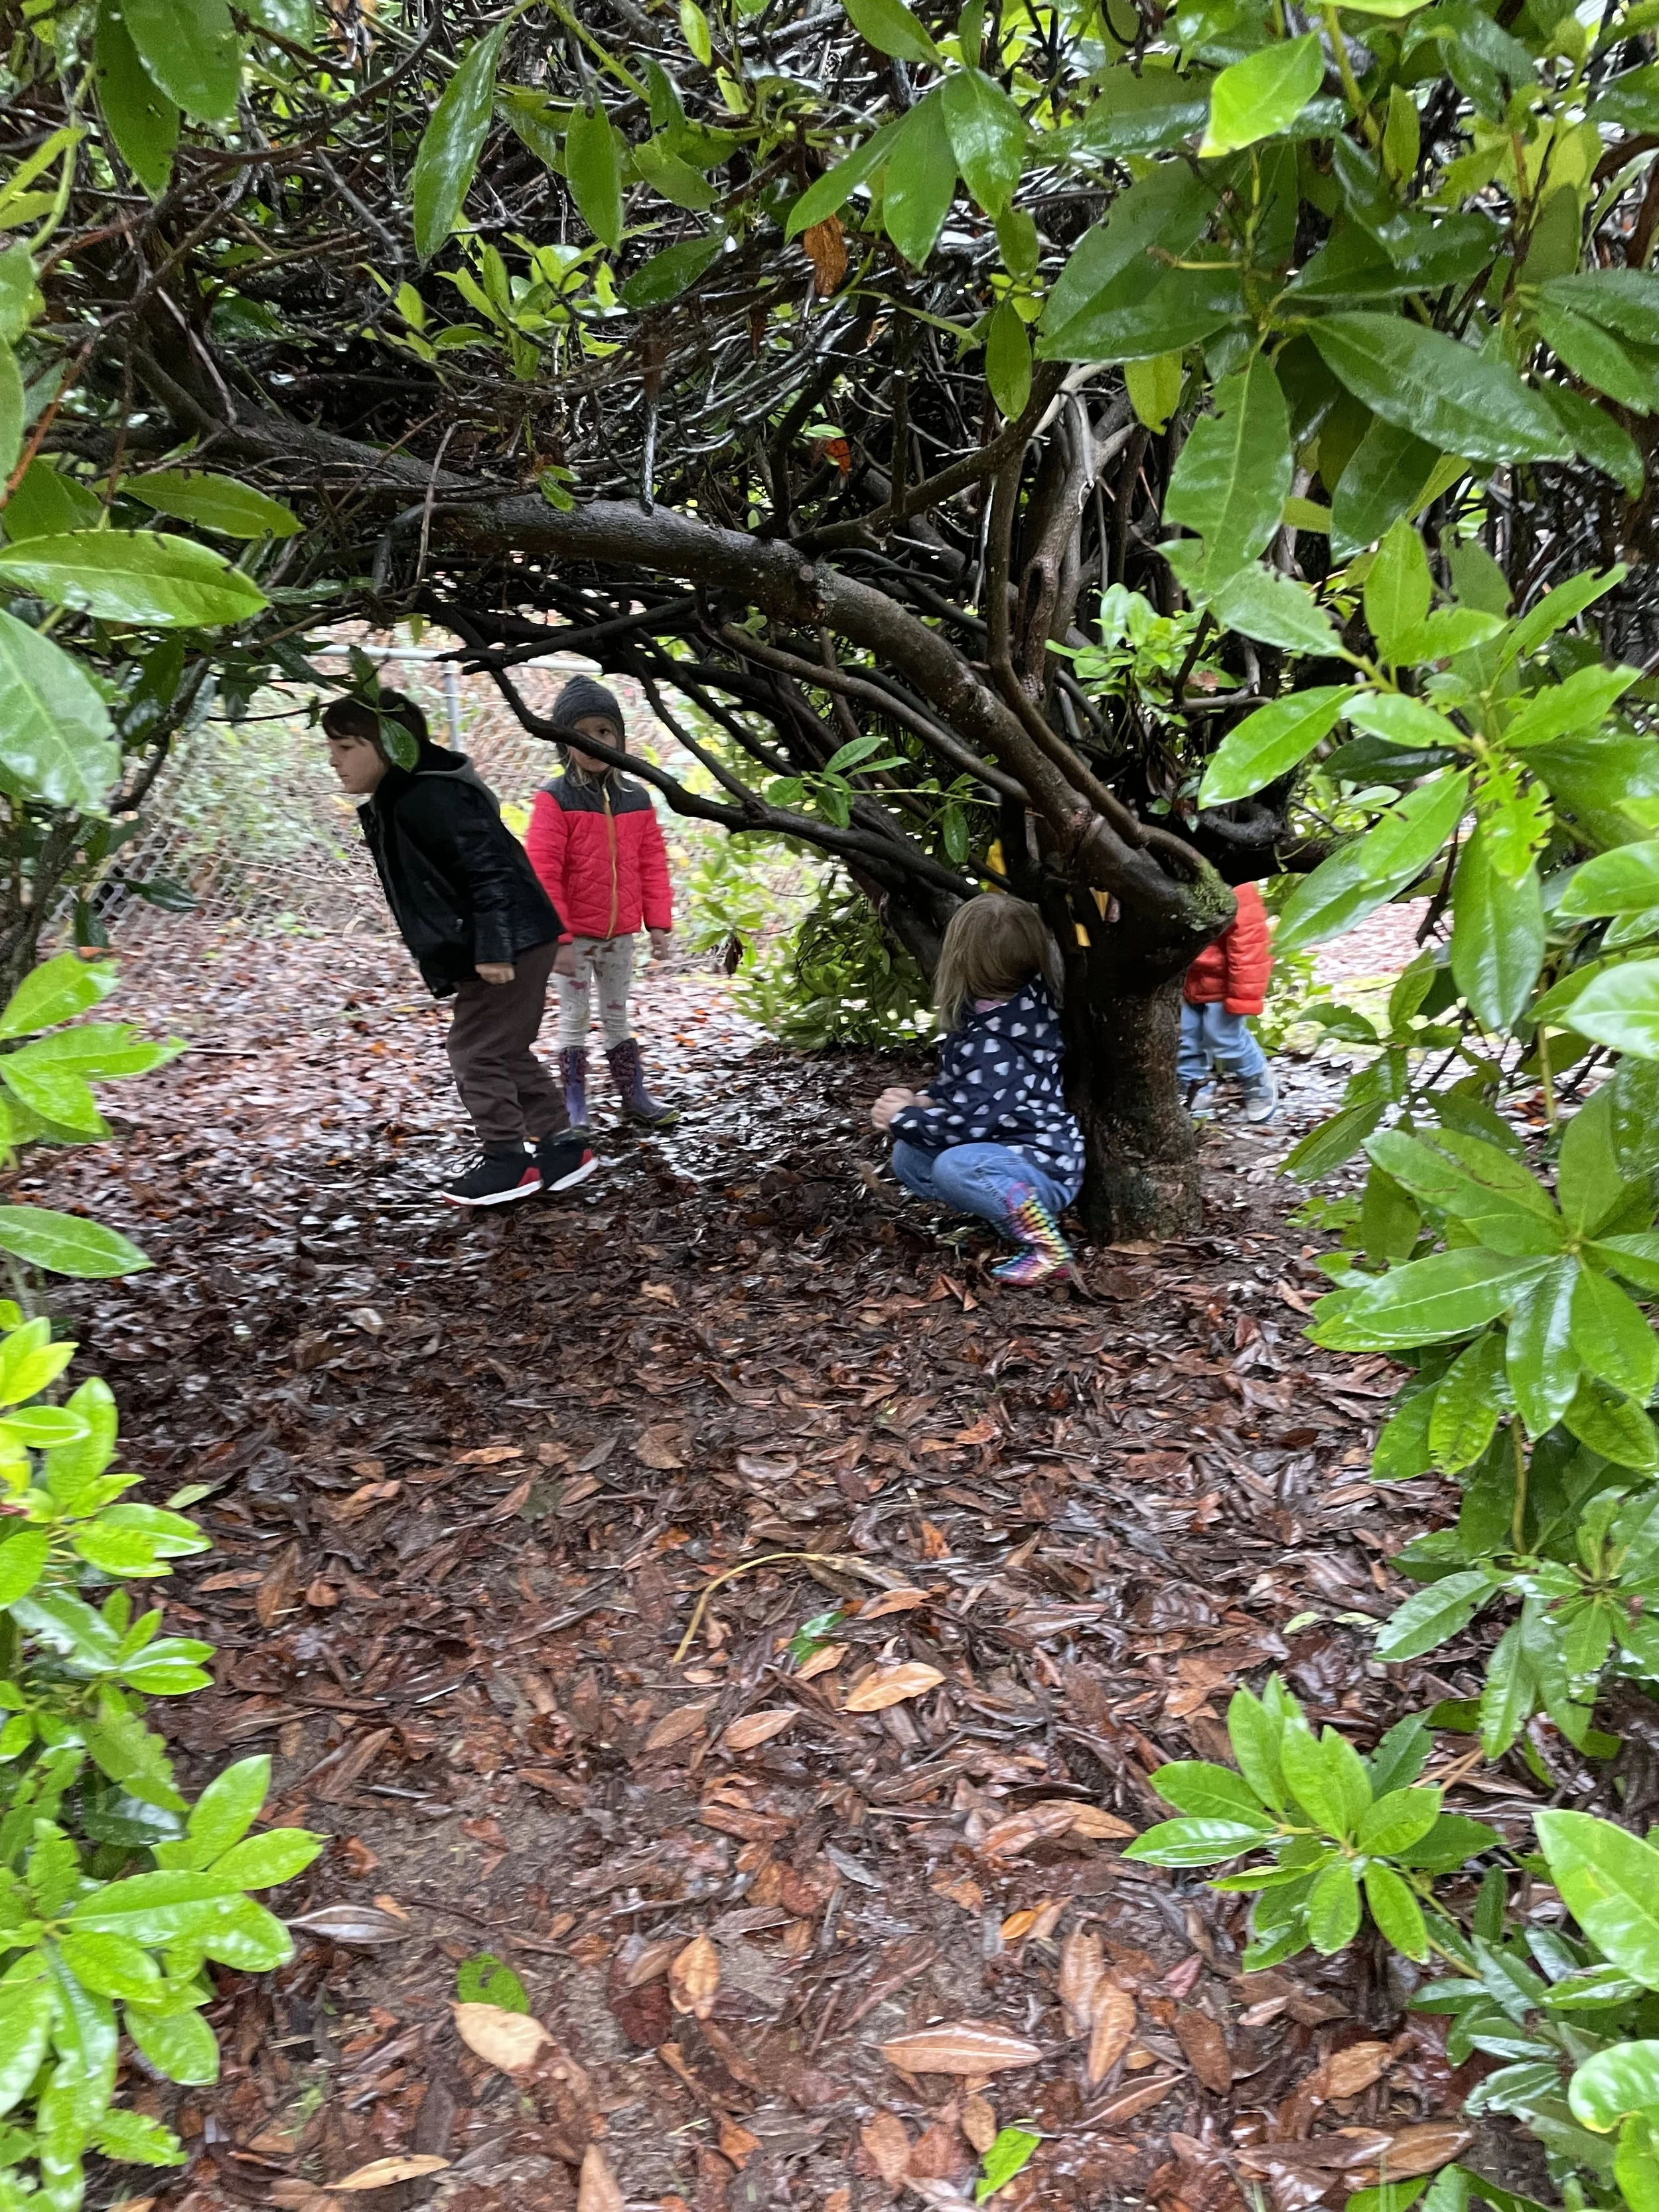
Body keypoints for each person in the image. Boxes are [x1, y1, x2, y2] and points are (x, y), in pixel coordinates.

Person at [323, 688, 597, 1208]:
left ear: (388, 743)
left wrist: (494, 947)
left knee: (474, 1050)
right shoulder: (403, 794)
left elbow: (489, 868)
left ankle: (507, 1160)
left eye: (345, 746)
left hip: (506, 942)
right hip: (513, 937)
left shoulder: (431, 795)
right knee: (505, 1046)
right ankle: (562, 1148)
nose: (333, 760)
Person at [871, 896, 1085, 1287]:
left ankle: (1045, 1245)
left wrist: (902, 1117)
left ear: (959, 960)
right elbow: (966, 1088)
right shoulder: (1004, 1010)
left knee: (954, 1167)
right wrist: (928, 1100)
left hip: (1041, 1165)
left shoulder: (997, 1042)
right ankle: (1002, 1220)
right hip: (1004, 1149)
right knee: (910, 1156)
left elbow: (966, 1125)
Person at [525, 676, 677, 1131]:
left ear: (620, 739)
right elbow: (543, 873)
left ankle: (634, 1093)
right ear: (562, 740)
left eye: (604, 731)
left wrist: (659, 923)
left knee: (616, 1013)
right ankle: (574, 1106)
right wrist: (560, 938)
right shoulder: (555, 799)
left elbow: (652, 862)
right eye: (581, 733)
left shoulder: (636, 797)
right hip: (575, 938)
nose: (594, 742)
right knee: (574, 1017)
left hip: (620, 936)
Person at [1181, 881, 1278, 1123]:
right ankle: (1194, 1091)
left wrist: (1243, 996)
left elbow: (1250, 945)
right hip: (1186, 980)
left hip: (1223, 984)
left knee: (1226, 1039)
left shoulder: (1235, 885)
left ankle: (1258, 1081)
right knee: (1185, 1038)